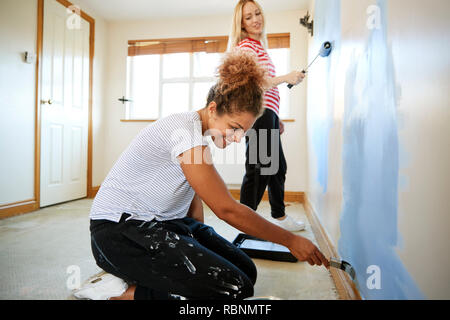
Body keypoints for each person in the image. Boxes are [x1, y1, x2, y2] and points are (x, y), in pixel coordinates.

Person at [74, 49, 328, 301]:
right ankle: (116, 291)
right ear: (213, 108)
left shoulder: (200, 138)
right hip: (119, 233)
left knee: (246, 271)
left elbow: (192, 195)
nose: (239, 138)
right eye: (235, 128)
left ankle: (146, 279)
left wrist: (202, 241)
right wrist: (289, 240)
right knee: (232, 288)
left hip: (164, 224)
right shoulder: (184, 132)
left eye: (244, 132)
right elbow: (226, 209)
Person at [228, 0, 306, 232]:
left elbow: (266, 89)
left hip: (267, 113)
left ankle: (279, 217)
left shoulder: (259, 47)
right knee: (259, 169)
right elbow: (253, 84)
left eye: (257, 13)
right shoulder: (246, 47)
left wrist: (275, 116)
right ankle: (245, 222)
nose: (256, 19)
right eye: (249, 17)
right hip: (257, 114)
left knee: (276, 167)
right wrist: (286, 77)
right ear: (241, 24)